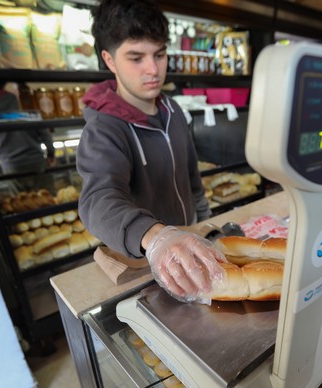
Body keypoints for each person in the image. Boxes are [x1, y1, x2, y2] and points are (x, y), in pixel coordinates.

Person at [76, 0, 225, 303]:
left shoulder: (174, 111)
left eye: (159, 54)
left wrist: (204, 227)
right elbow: (98, 199)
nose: (153, 69)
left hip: (190, 248)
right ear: (109, 60)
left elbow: (191, 176)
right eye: (136, 57)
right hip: (144, 262)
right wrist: (158, 238)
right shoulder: (104, 129)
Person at [0, 82, 56, 191]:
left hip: (11, 163)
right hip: (36, 160)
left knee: (20, 202)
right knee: (47, 197)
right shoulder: (21, 101)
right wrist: (51, 153)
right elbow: (43, 131)